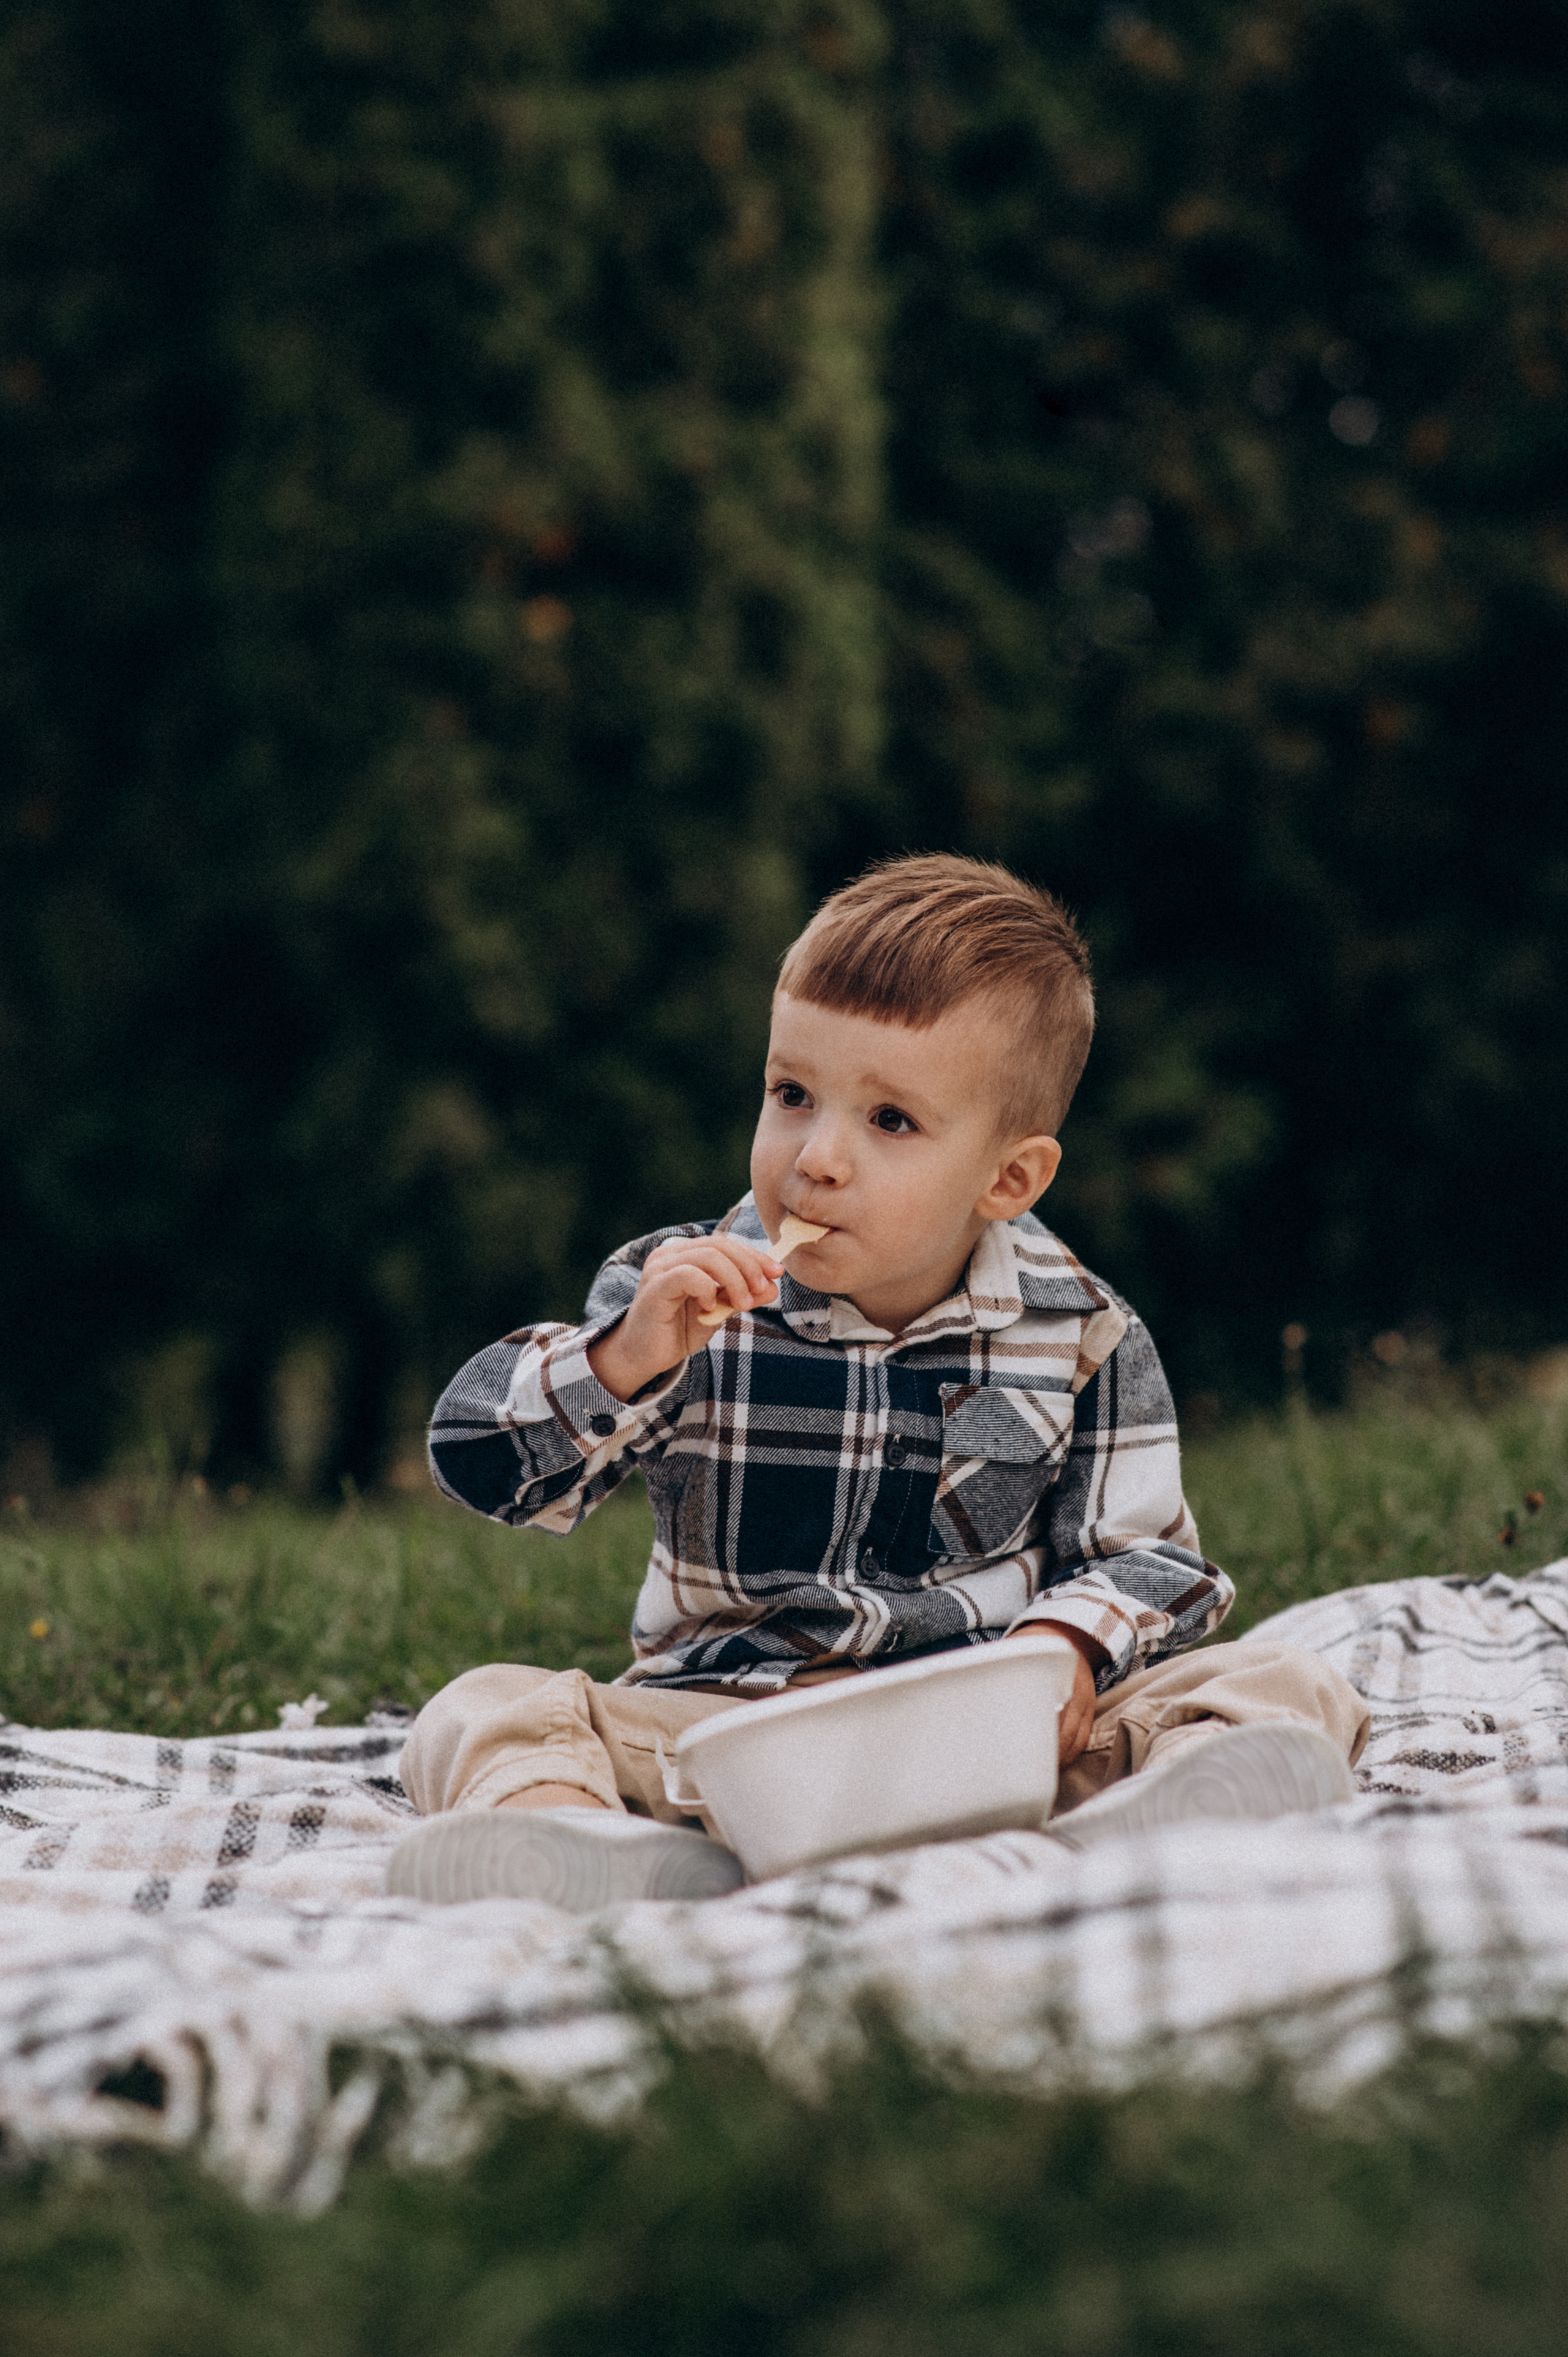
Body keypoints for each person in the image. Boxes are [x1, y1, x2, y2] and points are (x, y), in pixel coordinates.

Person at [387, 855, 1367, 1910]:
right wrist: (624, 1357)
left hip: (987, 1736)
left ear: (1009, 1179)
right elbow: (479, 1464)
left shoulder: (1079, 1330)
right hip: (733, 1736)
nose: (815, 1158)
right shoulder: (680, 1299)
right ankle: (578, 1846)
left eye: (888, 1121)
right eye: (791, 1095)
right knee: (481, 1708)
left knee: (1283, 1680)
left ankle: (1180, 1807)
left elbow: (1148, 1558)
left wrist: (1065, 1650)